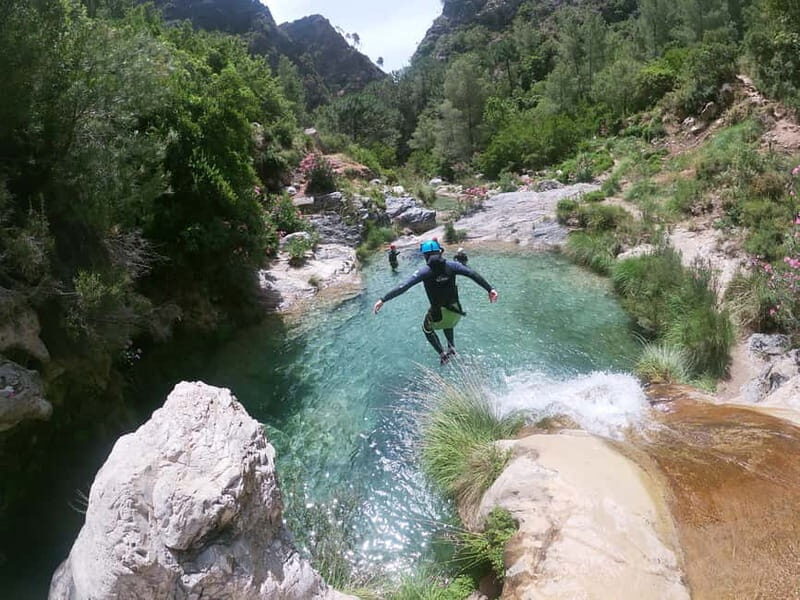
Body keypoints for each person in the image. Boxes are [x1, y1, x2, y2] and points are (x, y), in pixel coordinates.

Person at [373, 240, 498, 364]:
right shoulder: (452, 266)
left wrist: (383, 299)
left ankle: (443, 354)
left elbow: (403, 286)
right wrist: (490, 289)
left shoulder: (425, 271)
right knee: (447, 323)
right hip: (456, 311)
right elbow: (472, 274)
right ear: (440, 252)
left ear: (425, 256)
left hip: (437, 313)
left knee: (426, 329)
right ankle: (452, 348)